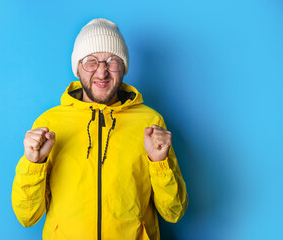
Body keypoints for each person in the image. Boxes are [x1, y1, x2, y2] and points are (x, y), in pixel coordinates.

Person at [11, 18, 188, 240]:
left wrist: (160, 163)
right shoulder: (49, 124)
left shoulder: (150, 122)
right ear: (77, 68)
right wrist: (33, 164)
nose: (102, 72)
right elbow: (27, 216)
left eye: (112, 61)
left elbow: (174, 212)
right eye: (91, 61)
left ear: (123, 67)